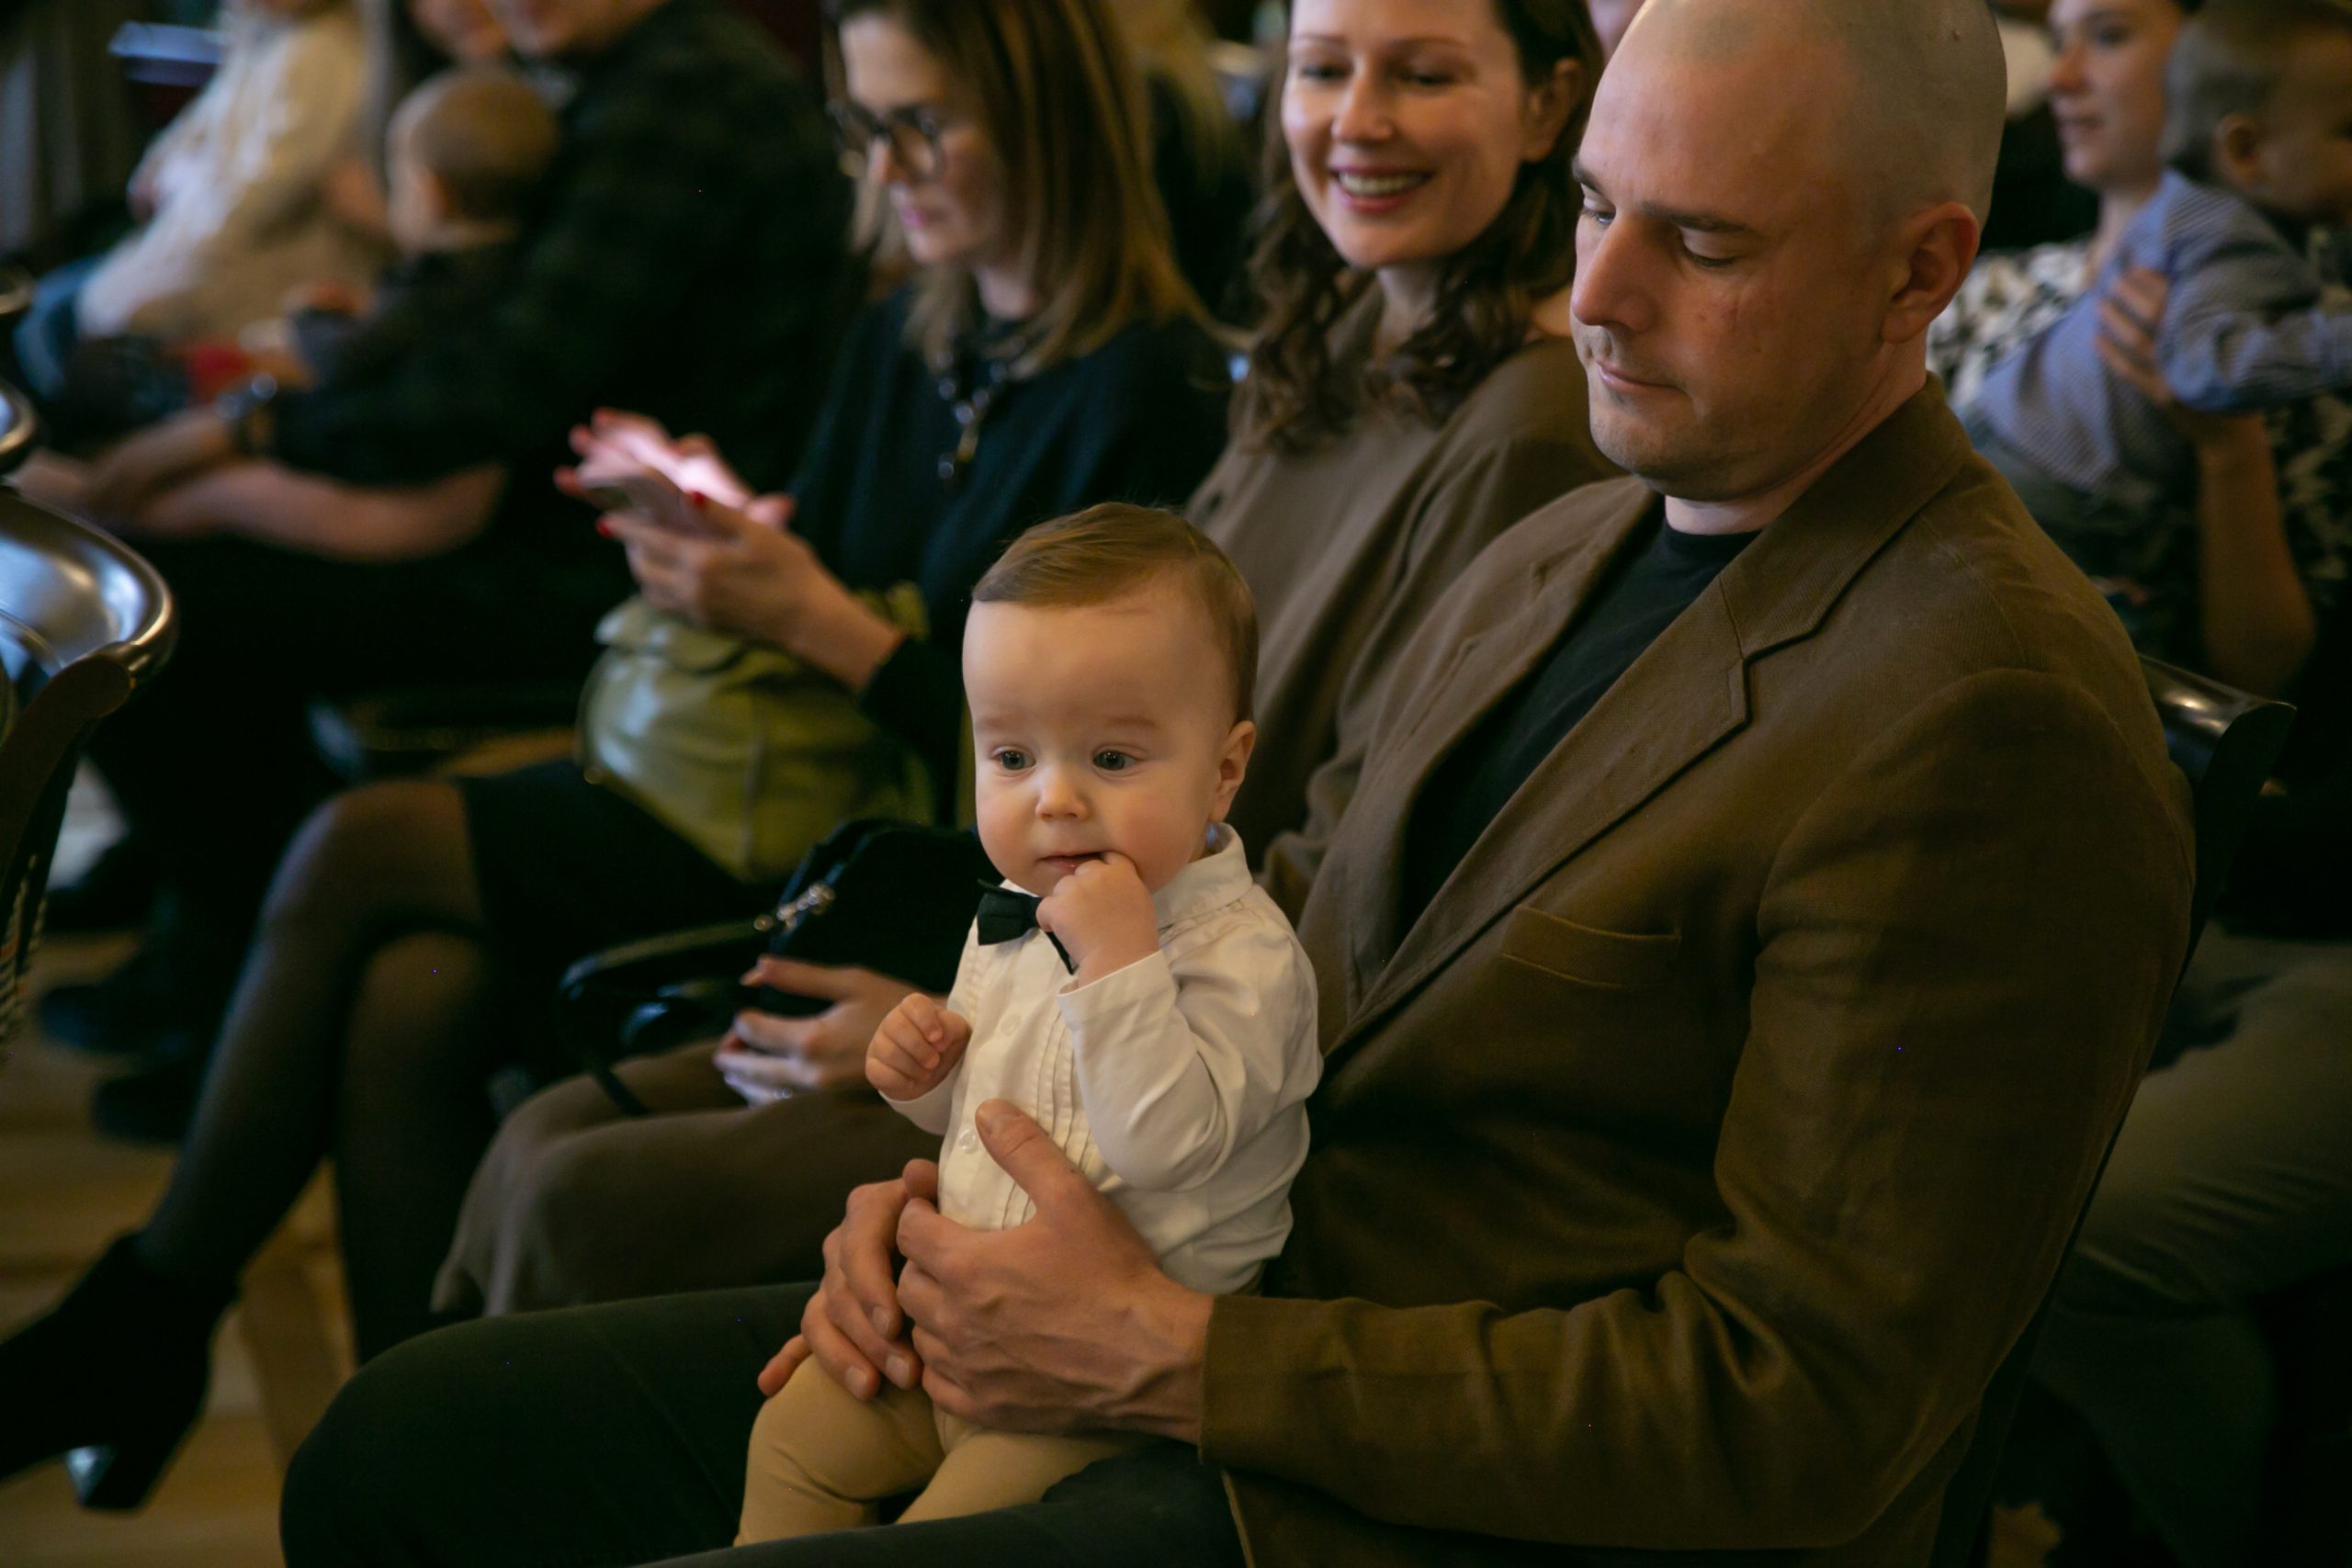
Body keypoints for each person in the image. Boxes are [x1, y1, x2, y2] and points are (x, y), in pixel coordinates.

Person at [279, 3, 2196, 1564]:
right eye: (1596, 206)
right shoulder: (1573, 538)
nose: (1599, 294)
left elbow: (1805, 1409)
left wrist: (1176, 1358)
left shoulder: (1986, 708)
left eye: (1701, 242)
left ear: (1919, 269)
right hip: (1199, 1303)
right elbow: (1246, 937)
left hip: (1396, 1492)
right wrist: (959, 1191)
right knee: (409, 1445)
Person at [0, 0, 1227, 1518]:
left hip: (912, 874)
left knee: (366, 843)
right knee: (408, 993)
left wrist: (817, 620)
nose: (886, 169)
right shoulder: (917, 330)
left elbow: (1077, 787)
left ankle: (172, 1325)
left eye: (924, 126)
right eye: (866, 127)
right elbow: (834, 568)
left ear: (1048, 117)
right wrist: (716, 539)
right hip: (784, 788)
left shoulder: (1146, 388)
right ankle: (421, 1464)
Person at [430, 0, 1611, 1323]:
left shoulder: (1522, 422)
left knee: (573, 1190)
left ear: (1549, 104)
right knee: (534, 1132)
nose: (1358, 120)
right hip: (1038, 943)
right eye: (1324, 68)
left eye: (1425, 74)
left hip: (1162, 1038)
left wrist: (997, 1010)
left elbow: (1349, 859)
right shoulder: (1335, 333)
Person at [40, 0, 857, 1140]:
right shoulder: (626, 70)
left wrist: (251, 433)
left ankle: (241, 1002)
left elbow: (493, 388)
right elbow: (469, 343)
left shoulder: (685, 95)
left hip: (624, 575)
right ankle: (209, 951)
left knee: (166, 611)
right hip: (557, 521)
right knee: (155, 562)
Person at [740, 506, 1318, 1542]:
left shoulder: (1245, 957)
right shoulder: (1012, 909)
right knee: (788, 1438)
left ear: (1224, 770)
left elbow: (1167, 1146)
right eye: (1011, 756)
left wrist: (1118, 967)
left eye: (1112, 758)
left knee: (943, 1540)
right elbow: (980, 1115)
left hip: (1098, 1387)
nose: (1054, 799)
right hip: (961, 1323)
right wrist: (922, 1076)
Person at [1928, 0, 2352, 699]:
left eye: (2108, 36)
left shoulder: (2295, 339)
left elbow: (2261, 682)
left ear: (2210, 56)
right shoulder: (1971, 289)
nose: (2060, 76)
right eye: (2057, 43)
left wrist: (2228, 451)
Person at [11, 0, 379, 420]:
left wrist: (181, 183)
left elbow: (254, 199)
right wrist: (168, 170)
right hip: (196, 236)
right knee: (47, 314)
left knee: (54, 326)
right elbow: (195, 132)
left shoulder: (322, 53)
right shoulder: (262, 38)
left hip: (252, 265)